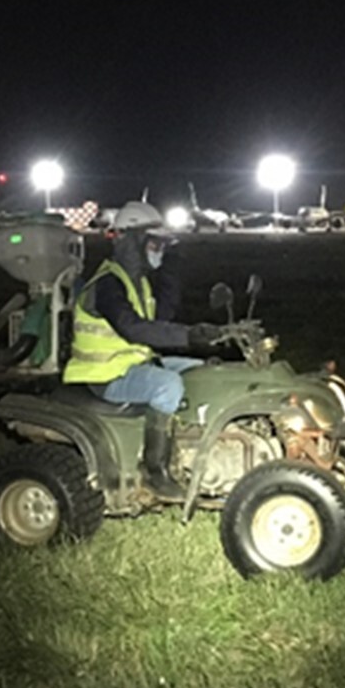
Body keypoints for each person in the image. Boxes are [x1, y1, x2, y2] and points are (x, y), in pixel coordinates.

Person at [62, 201, 222, 498]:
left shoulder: (138, 282)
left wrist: (173, 270)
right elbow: (132, 328)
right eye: (154, 242)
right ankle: (154, 471)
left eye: (162, 243)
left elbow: (160, 321)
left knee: (205, 371)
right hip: (104, 376)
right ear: (132, 241)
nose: (158, 249)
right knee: (169, 385)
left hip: (132, 363)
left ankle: (193, 447)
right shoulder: (108, 284)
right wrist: (189, 335)